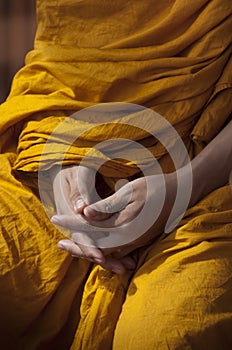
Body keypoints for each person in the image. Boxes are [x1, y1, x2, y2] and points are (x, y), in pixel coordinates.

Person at [0, 0, 231, 349]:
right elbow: (59, 64)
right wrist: (59, 171)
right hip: (53, 164)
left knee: (167, 335)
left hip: (211, 179)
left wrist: (185, 186)